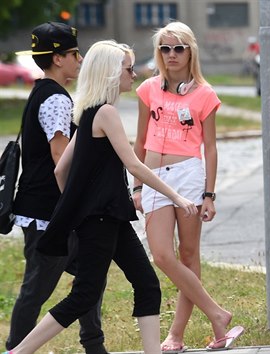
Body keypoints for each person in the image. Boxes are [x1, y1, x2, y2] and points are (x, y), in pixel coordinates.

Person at [2, 39, 199, 354]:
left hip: (110, 216)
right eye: (128, 69)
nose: (133, 75)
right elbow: (133, 162)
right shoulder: (105, 113)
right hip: (103, 218)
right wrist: (177, 197)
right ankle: (18, 352)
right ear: (110, 73)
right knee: (84, 294)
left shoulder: (88, 113)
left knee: (146, 284)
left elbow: (60, 171)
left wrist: (79, 204)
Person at [132, 21, 243, 352]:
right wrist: (137, 186)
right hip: (153, 177)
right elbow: (139, 140)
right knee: (163, 255)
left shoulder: (205, 94)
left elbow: (210, 148)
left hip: (188, 176)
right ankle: (217, 314)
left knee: (189, 253)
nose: (171, 55)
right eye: (165, 48)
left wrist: (209, 194)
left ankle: (177, 335)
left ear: (190, 51)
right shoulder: (148, 89)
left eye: (178, 48)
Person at [7, 21, 108, 354]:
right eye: (75, 54)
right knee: (36, 288)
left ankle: (93, 344)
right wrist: (79, 198)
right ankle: (15, 348)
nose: (80, 61)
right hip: (49, 211)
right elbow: (59, 154)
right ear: (58, 58)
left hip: (48, 209)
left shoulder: (41, 91)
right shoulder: (57, 99)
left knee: (90, 278)